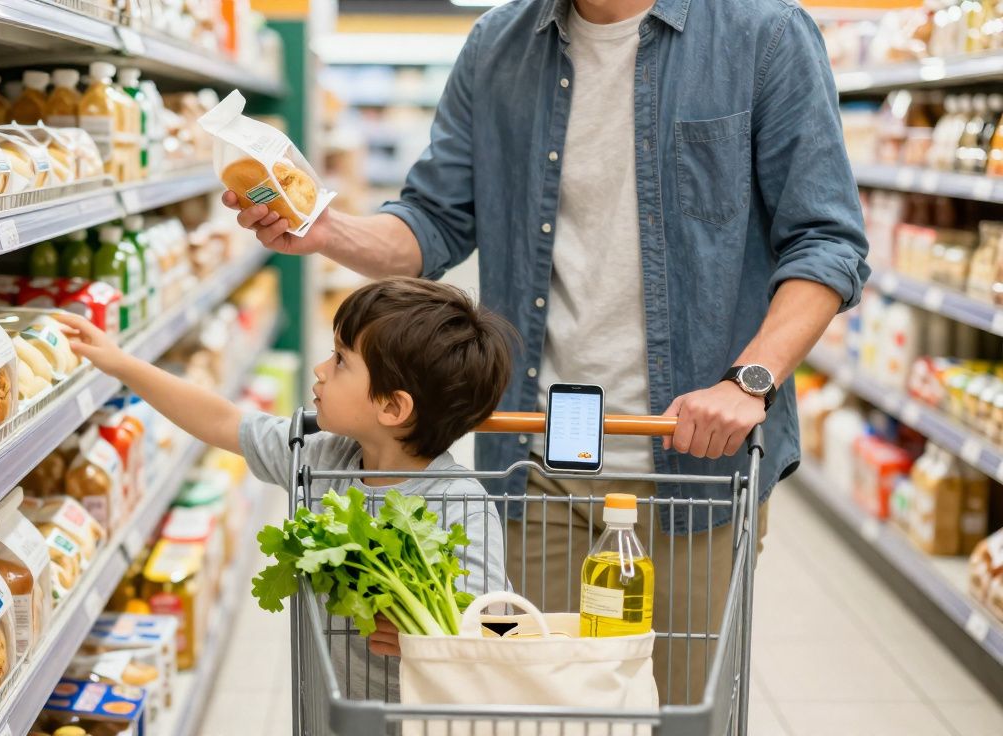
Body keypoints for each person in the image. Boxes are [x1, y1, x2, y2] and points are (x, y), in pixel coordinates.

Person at [224, 0, 869, 704]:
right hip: (535, 466)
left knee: (684, 708)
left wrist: (749, 381)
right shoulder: (499, 45)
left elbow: (826, 239)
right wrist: (325, 232)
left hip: (694, 467)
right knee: (530, 705)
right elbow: (432, 221)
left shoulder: (762, 35)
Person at [53, 277, 512, 696]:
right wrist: (120, 363)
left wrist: (436, 637)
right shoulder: (323, 457)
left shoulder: (460, 505)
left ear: (392, 407)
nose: (319, 369)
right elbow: (221, 420)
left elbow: (503, 629)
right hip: (334, 710)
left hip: (424, 718)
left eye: (340, 360)